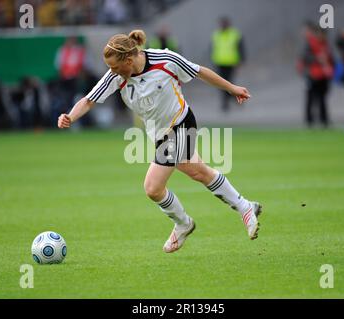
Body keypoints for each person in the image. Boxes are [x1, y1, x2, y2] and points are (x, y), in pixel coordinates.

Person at [57, 30, 263, 253]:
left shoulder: (166, 60)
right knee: (199, 172)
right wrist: (70, 116)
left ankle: (184, 223)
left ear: (128, 59)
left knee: (153, 187)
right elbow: (89, 100)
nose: (112, 72)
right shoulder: (116, 76)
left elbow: (200, 72)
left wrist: (232, 88)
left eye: (115, 67)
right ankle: (245, 206)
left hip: (181, 124)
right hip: (159, 134)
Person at [297, 22, 334, 127]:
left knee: (323, 99)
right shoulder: (311, 44)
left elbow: (331, 59)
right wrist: (317, 58)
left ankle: (324, 121)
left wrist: (330, 68)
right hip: (313, 75)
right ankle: (310, 121)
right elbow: (305, 58)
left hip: (323, 76)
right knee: (311, 99)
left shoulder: (325, 45)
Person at [210, 16, 245, 112]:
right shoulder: (216, 34)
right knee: (222, 83)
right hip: (219, 62)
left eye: (224, 23)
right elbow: (213, 48)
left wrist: (241, 60)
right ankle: (228, 101)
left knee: (229, 82)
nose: (223, 25)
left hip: (231, 62)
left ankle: (228, 101)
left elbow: (240, 48)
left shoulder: (235, 34)